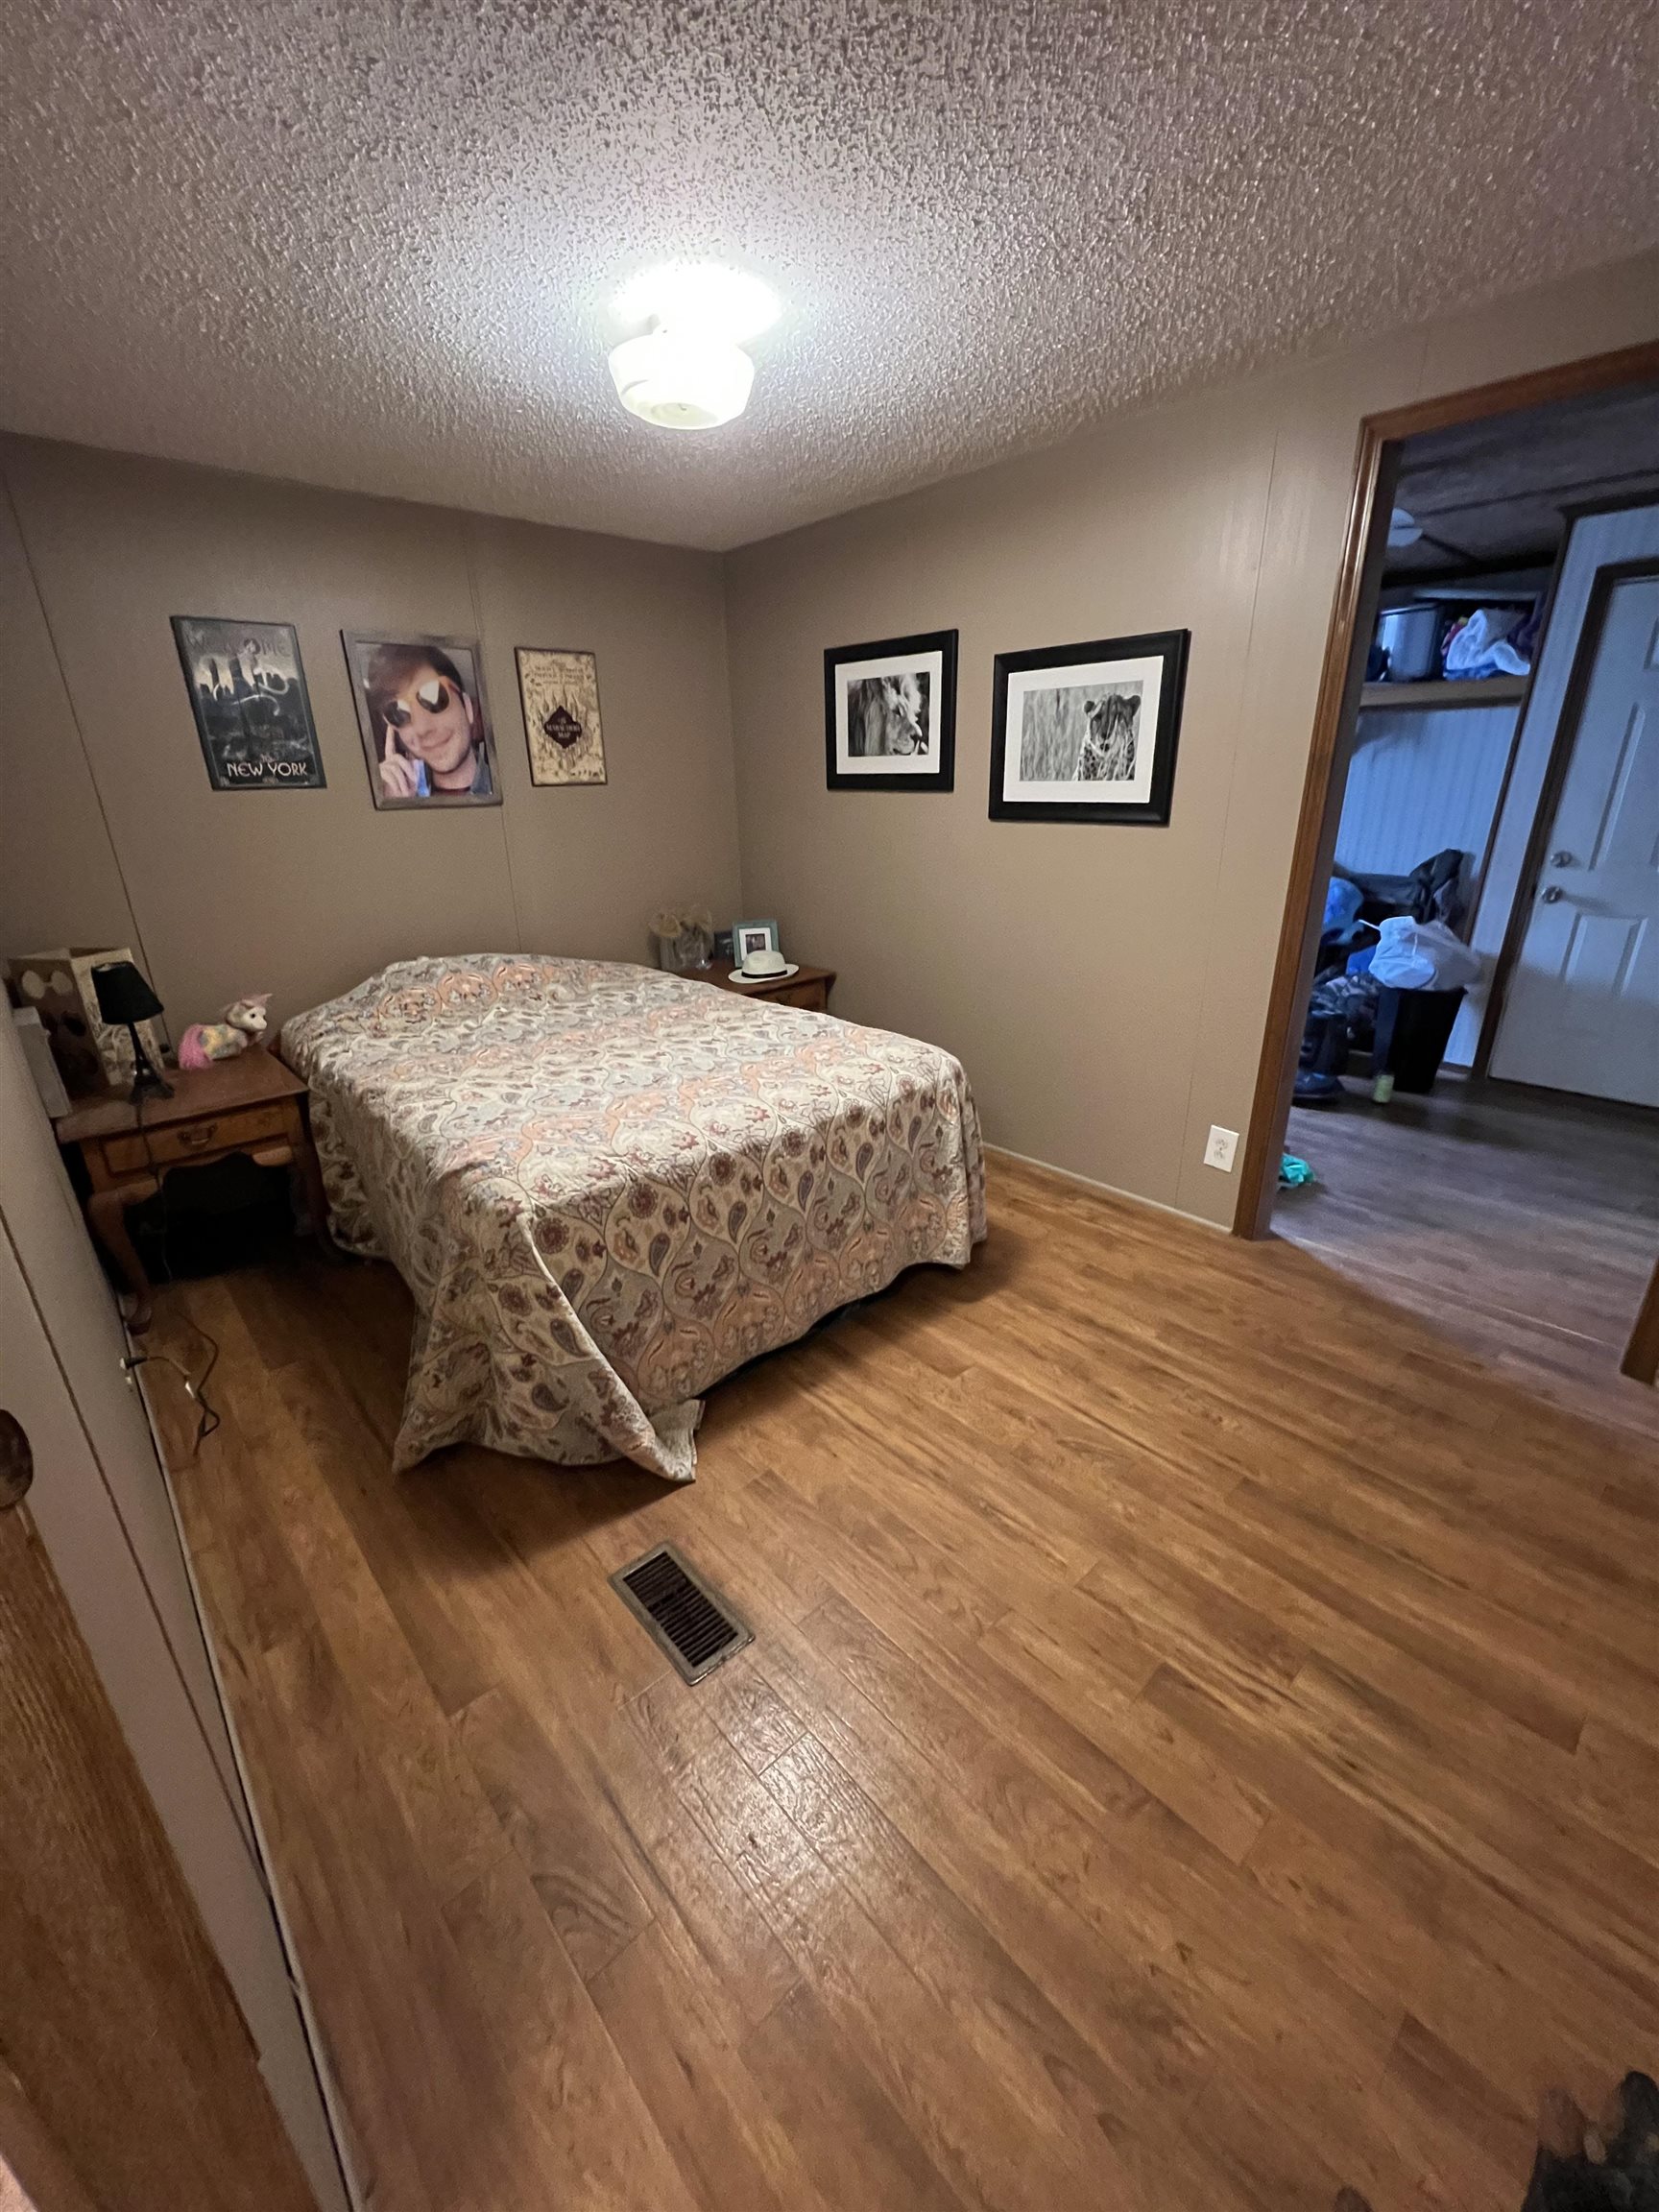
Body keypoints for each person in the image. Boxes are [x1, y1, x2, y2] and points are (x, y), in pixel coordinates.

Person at [363, 642, 493, 800]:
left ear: (467, 708)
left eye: (433, 696)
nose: (422, 729)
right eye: (398, 712)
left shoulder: (514, 788)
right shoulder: (400, 799)